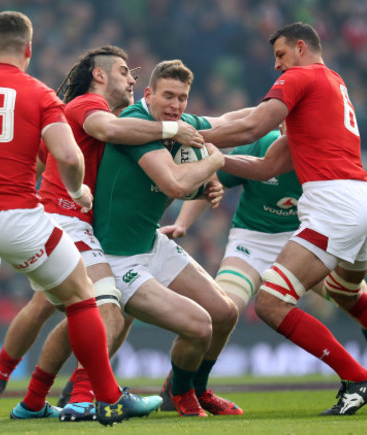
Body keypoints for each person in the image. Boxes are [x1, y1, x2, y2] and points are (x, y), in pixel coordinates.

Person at [0, 12, 161, 429]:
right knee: (81, 296)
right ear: (28, 49)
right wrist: (78, 192)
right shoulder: (40, 94)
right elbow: (69, 156)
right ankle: (110, 399)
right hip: (20, 216)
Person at [200, 22, 367, 414]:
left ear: (301, 48)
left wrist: (194, 135)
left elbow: (253, 125)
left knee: (269, 304)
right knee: (351, 296)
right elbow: (266, 168)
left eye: (280, 55)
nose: (277, 66)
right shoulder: (332, 82)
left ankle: (357, 378)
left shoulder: (301, 76)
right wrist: (215, 159)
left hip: (333, 206)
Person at [0, 45, 203, 422]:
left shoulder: (115, 117)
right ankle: (92, 398)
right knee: (108, 306)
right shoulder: (90, 105)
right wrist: (174, 129)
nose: (132, 78)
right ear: (100, 75)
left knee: (62, 308)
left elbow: (44, 155)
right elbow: (106, 130)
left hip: (77, 222)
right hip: (66, 220)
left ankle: (31, 400)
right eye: (123, 71)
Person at [161, 129, 367, 409]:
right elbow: (211, 182)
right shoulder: (260, 146)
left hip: (303, 242)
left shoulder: (326, 157)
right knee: (223, 309)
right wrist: (184, 222)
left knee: (355, 297)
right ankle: (182, 388)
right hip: (252, 241)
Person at [92, 59, 249, 418]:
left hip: (150, 242)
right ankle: (180, 395)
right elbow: (174, 183)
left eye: (182, 98)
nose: (176, 105)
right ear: (148, 94)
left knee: (224, 313)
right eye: (168, 96)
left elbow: (231, 123)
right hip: (118, 259)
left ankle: (194, 388)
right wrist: (214, 163)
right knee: (199, 325)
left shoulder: (183, 125)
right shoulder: (137, 125)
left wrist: (205, 189)